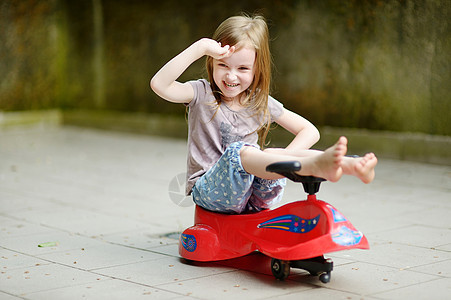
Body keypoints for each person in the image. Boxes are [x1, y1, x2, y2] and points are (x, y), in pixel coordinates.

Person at [150, 14, 377, 214]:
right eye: (223, 65)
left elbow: (309, 131)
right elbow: (159, 84)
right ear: (211, 61)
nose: (231, 76)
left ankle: (351, 166)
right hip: (211, 193)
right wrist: (200, 47)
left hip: (255, 196)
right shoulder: (201, 92)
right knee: (243, 153)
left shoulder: (259, 101)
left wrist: (282, 159)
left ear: (257, 70)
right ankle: (312, 166)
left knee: (271, 152)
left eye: (242, 69)